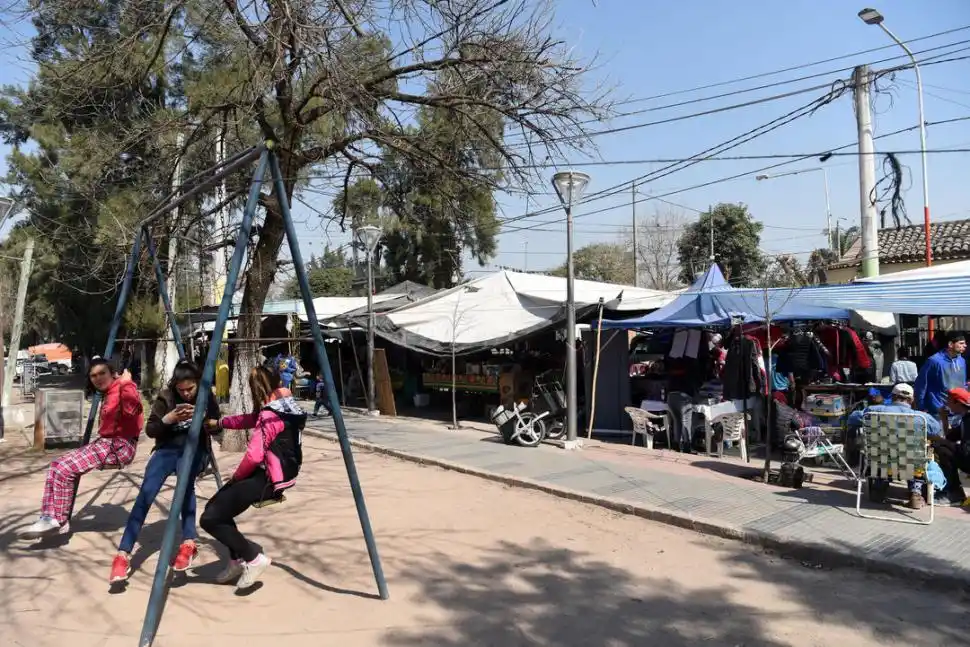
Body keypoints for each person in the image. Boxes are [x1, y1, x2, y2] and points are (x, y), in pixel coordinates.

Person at [109, 361, 221, 584]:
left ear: (198, 383)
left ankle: (188, 542)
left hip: (196, 450)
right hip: (167, 450)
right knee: (145, 495)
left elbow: (218, 427)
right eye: (181, 390)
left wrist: (203, 419)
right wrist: (169, 419)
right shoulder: (166, 397)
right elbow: (151, 430)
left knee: (185, 483)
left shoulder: (205, 395)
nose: (186, 394)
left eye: (190, 389)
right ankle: (123, 554)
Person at [200, 366, 306, 590]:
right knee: (216, 508)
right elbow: (251, 419)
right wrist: (220, 423)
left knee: (210, 518)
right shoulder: (285, 406)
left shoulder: (270, 414)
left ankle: (254, 559)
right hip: (277, 473)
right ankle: (236, 561)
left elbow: (254, 455)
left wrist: (235, 479)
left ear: (255, 389)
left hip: (268, 479)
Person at [20, 357, 144, 539]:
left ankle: (59, 520)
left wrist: (127, 383)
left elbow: (131, 410)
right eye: (93, 375)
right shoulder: (109, 392)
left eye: (102, 373)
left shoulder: (124, 387)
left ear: (112, 373)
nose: (98, 378)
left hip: (120, 446)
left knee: (64, 469)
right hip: (107, 444)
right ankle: (48, 517)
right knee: (55, 466)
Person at [848, 383, 943, 509]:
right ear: (911, 400)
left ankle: (879, 487)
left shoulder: (873, 411)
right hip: (911, 465)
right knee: (915, 455)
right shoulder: (921, 417)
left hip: (880, 463)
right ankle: (915, 492)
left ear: (892, 397)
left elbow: (852, 418)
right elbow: (937, 430)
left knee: (883, 454)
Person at [934, 388, 970, 507]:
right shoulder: (965, 418)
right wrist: (944, 418)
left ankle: (953, 492)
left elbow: (964, 449)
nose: (946, 404)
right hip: (966, 455)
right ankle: (955, 491)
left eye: (948, 401)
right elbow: (951, 437)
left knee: (942, 449)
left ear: (957, 402)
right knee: (943, 448)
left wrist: (938, 441)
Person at [914, 332, 967, 413]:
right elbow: (921, 384)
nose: (965, 345)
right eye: (961, 343)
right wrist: (921, 406)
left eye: (965, 343)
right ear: (950, 344)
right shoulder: (934, 361)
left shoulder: (962, 361)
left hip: (958, 411)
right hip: (938, 411)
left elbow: (961, 384)